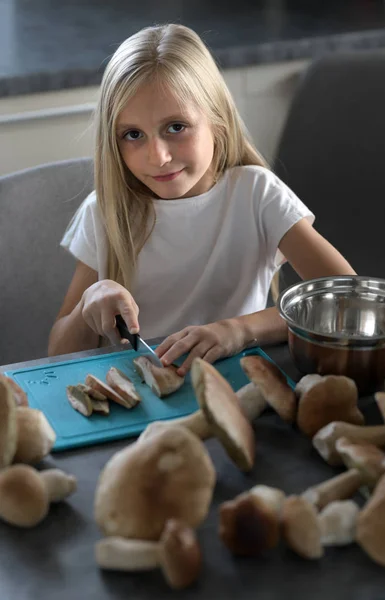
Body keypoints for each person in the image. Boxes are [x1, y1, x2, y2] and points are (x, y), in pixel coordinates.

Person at [48, 24, 355, 376]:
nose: (158, 156)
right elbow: (58, 352)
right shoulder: (105, 213)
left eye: (176, 127)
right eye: (133, 135)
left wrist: (239, 329)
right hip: (139, 396)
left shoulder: (256, 194)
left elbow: (345, 300)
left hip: (240, 384)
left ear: (217, 121)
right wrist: (90, 301)